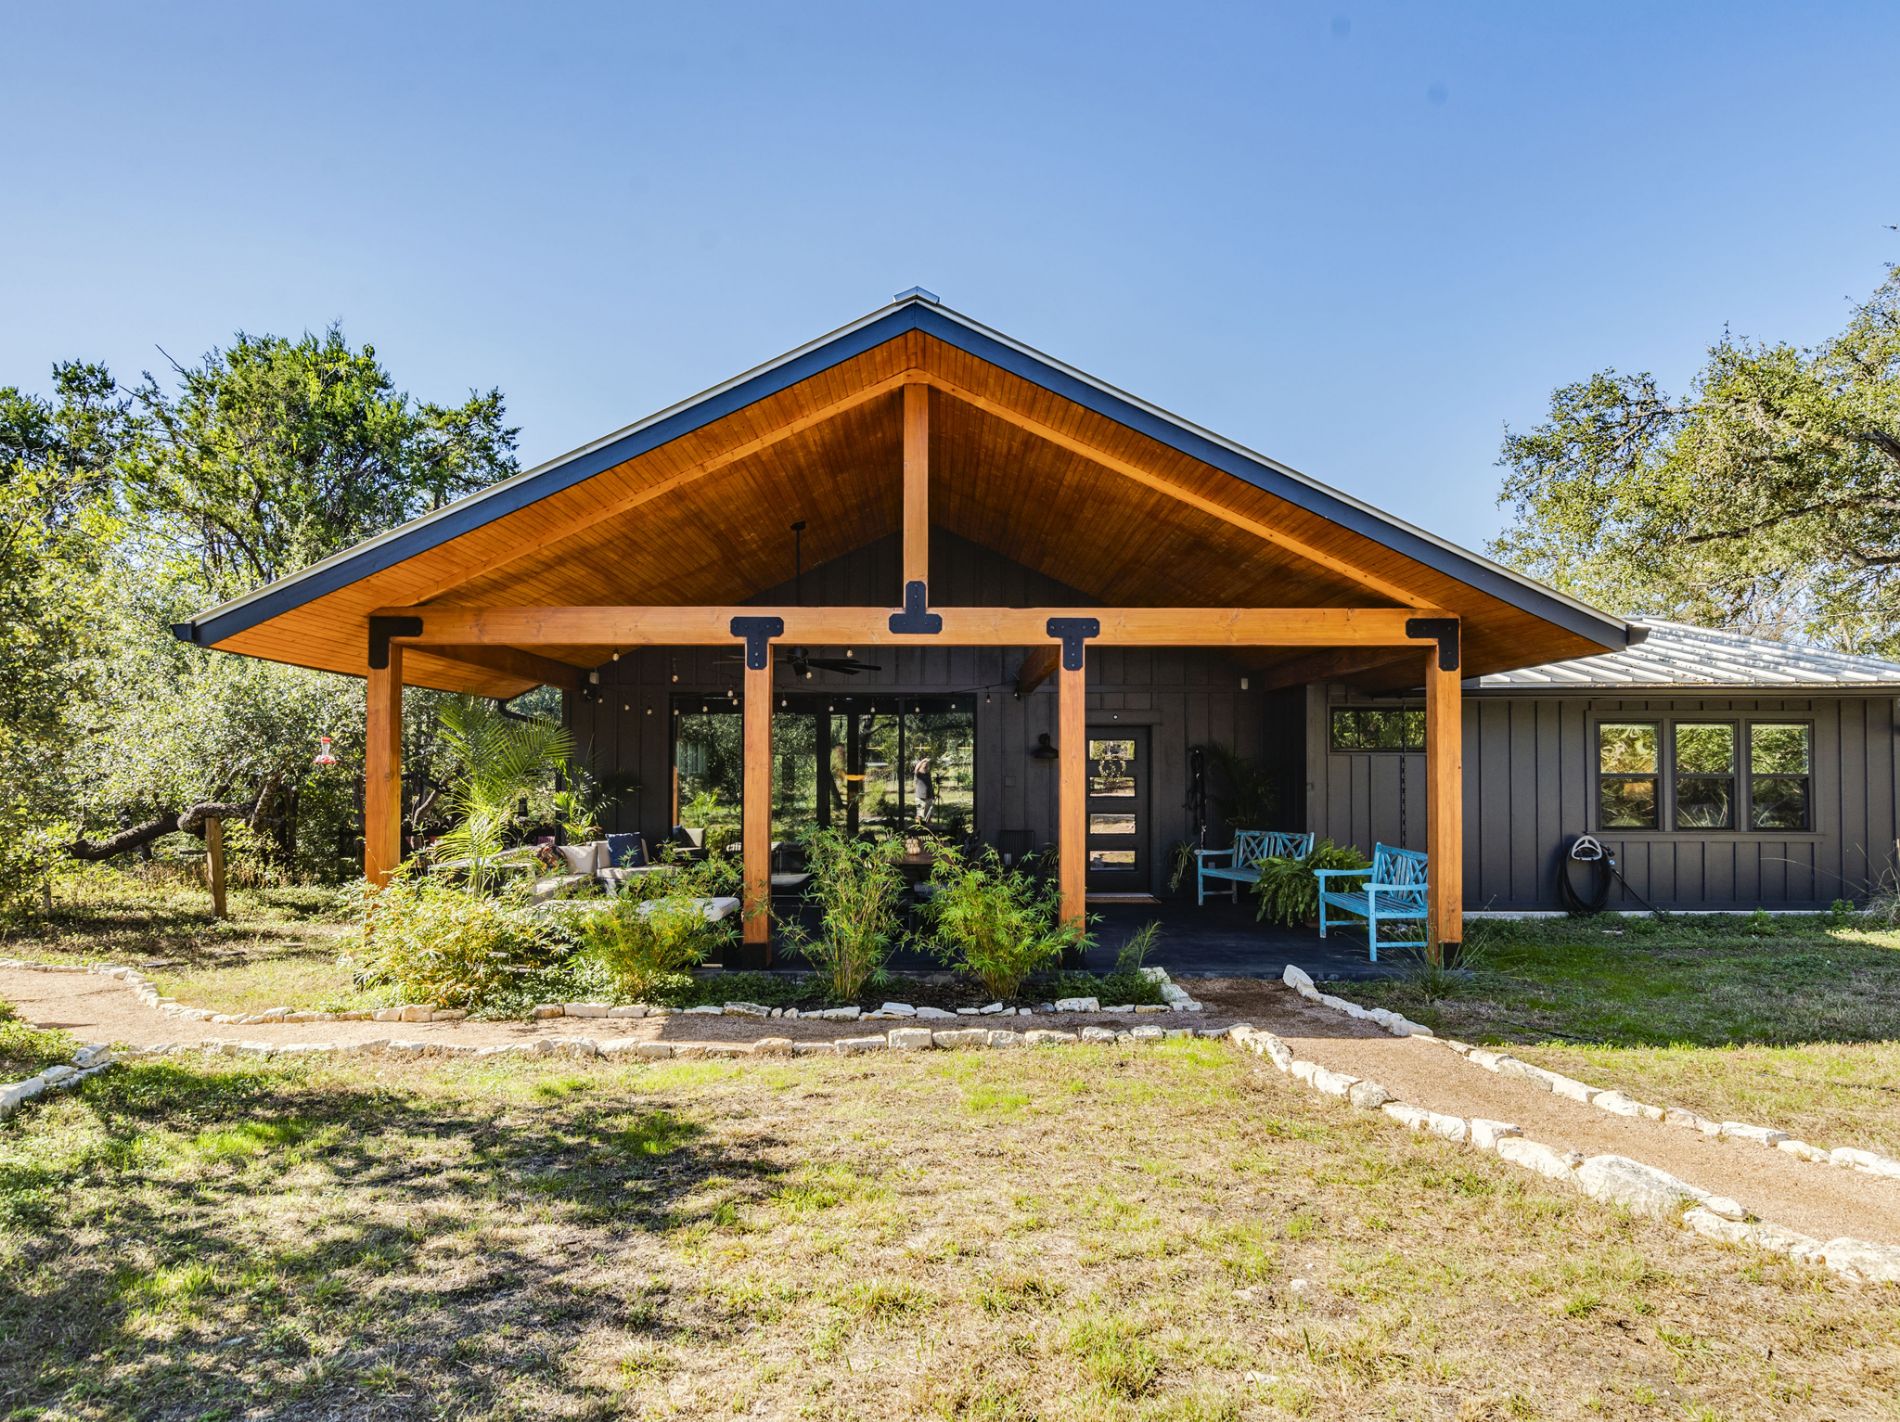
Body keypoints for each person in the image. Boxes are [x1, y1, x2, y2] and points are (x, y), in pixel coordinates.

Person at [912, 753, 935, 825]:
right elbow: (916, 768)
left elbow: (930, 785)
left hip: (929, 796)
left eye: (927, 765)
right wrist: (923, 760)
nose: (926, 766)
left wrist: (933, 795)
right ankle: (918, 827)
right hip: (920, 797)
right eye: (924, 765)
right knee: (919, 814)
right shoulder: (918, 774)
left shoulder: (928, 774)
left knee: (929, 813)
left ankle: (929, 827)